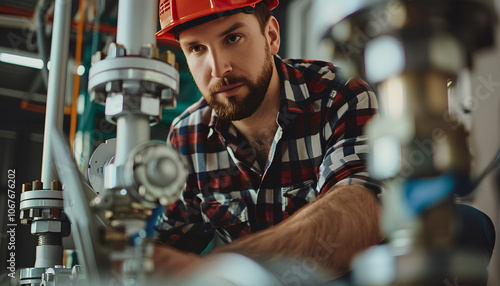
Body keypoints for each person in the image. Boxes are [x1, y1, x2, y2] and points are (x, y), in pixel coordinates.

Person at [152, 0, 384, 280]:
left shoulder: (339, 96)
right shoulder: (187, 138)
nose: (218, 69)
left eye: (232, 38)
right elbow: (164, 247)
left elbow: (358, 214)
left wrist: (222, 270)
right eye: (196, 48)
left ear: (271, 36)